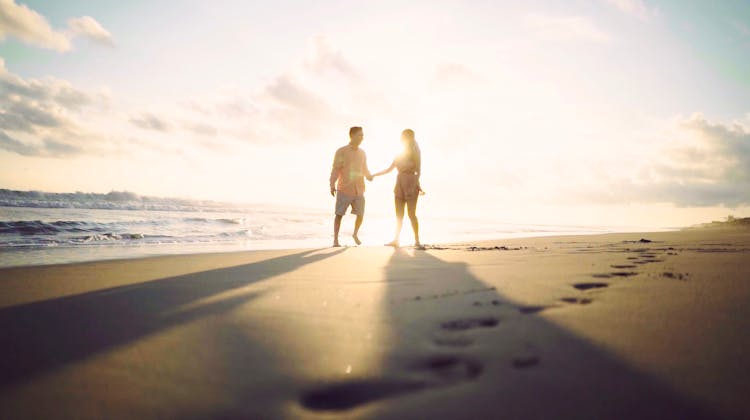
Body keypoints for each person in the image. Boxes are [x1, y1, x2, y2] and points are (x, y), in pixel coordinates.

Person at [372, 128, 423, 248]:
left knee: (411, 214)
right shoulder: (398, 154)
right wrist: (374, 175)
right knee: (399, 215)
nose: (401, 139)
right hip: (399, 184)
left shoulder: (415, 152)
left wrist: (416, 183)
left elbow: (419, 170)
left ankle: (417, 240)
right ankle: (396, 239)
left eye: (404, 136)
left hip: (411, 182)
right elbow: (389, 169)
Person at [329, 126, 373, 247]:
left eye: (363, 135)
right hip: (344, 188)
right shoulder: (341, 151)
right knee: (339, 215)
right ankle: (336, 240)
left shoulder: (363, 153)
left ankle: (355, 234)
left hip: (359, 189)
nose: (362, 138)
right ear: (352, 136)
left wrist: (368, 176)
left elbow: (364, 168)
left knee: (361, 214)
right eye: (360, 135)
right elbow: (336, 170)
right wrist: (332, 184)